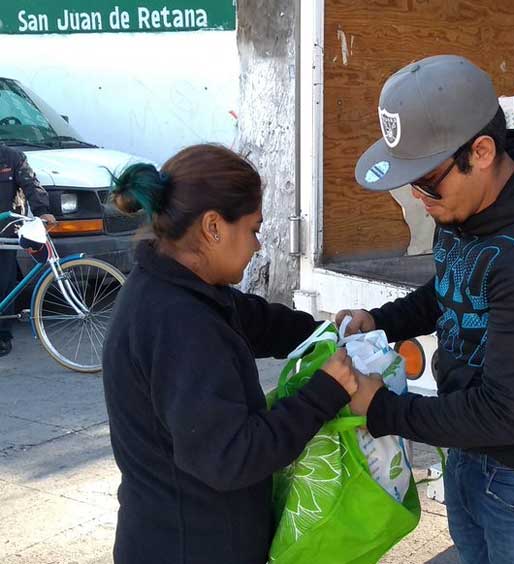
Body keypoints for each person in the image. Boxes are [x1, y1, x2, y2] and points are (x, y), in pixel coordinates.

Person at [339, 55, 514, 564]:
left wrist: (383, 410)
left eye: (425, 180)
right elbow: (451, 288)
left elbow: (508, 413)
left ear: (482, 151)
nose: (419, 198)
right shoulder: (463, 204)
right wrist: (381, 320)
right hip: (467, 443)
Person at [101, 144, 360, 564]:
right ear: (213, 227)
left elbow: (260, 323)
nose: (258, 244)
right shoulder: (180, 323)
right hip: (188, 548)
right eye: (254, 229)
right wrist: (324, 393)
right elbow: (233, 457)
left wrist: (333, 332)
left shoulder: (177, 288)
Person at [0, 143, 56, 356]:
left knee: (4, 283)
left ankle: (3, 335)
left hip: (4, 231)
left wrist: (43, 211)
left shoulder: (12, 158)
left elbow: (31, 184)